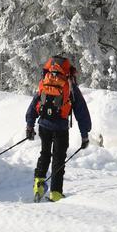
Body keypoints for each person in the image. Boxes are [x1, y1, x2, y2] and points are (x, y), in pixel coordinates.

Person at [25, 55, 91, 202]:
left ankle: (38, 185)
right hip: (60, 127)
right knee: (59, 158)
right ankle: (55, 192)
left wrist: (30, 125)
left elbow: (34, 103)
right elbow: (81, 110)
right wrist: (84, 134)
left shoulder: (45, 80)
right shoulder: (69, 83)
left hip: (43, 125)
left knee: (44, 154)